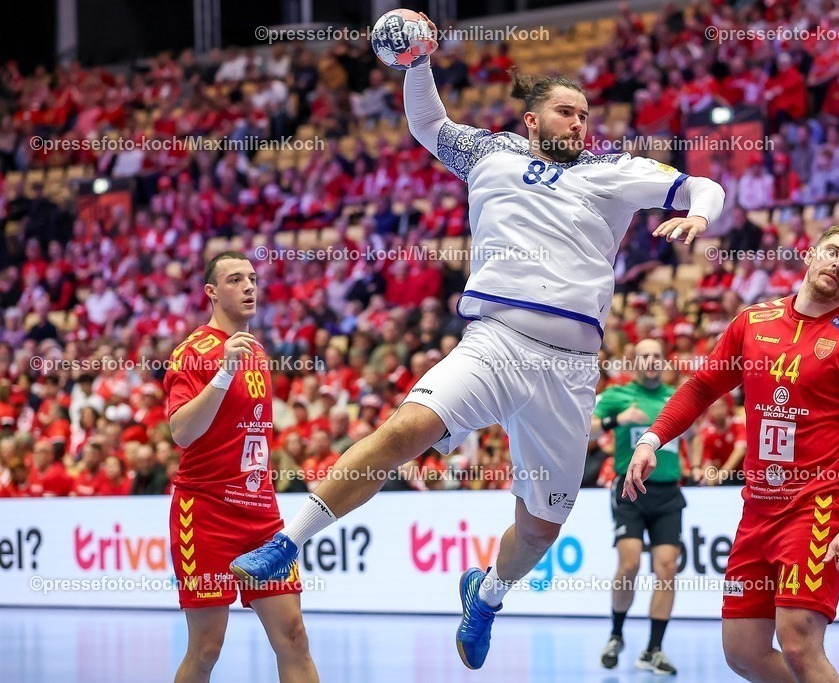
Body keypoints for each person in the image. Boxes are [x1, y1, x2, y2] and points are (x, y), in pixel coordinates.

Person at [231, 11, 724, 672]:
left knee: (539, 530)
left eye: (585, 115)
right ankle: (285, 542)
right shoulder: (491, 154)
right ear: (532, 120)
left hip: (570, 369)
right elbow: (429, 126)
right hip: (493, 340)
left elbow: (703, 182)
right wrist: (418, 65)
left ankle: (486, 594)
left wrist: (696, 213)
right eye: (566, 113)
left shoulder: (610, 175)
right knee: (404, 430)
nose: (580, 124)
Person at [624, 222, 839, 683]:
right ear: (809, 255)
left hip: (819, 504)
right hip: (757, 509)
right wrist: (652, 439)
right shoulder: (754, 321)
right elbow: (703, 386)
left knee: (797, 641)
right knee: (743, 653)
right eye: (833, 252)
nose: (838, 264)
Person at [166, 251, 318, 683]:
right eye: (235, 280)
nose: (249, 286)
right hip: (206, 511)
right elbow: (181, 431)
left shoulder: (257, 351)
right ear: (212, 292)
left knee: (293, 635)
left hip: (261, 518)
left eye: (252, 278)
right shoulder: (192, 352)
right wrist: (222, 372)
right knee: (207, 647)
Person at [591, 338, 684, 675]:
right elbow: (584, 430)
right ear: (634, 360)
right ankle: (616, 635)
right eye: (644, 355)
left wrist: (700, 463)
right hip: (630, 490)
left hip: (668, 493)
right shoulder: (617, 395)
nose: (651, 360)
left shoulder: (676, 397)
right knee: (629, 564)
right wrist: (619, 419)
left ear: (664, 361)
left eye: (656, 355)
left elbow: (695, 432)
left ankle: (653, 650)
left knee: (667, 569)